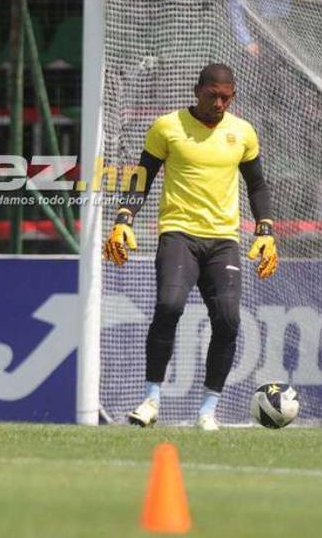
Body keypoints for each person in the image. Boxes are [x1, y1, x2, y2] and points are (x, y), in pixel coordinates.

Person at [103, 63, 278, 431]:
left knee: (228, 321)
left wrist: (265, 230)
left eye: (226, 97)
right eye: (213, 95)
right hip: (179, 233)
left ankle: (207, 411)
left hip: (224, 240)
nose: (219, 103)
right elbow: (142, 177)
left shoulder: (242, 132)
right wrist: (124, 217)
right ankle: (151, 399)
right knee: (169, 306)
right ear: (197, 90)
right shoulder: (167, 127)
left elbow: (257, 185)